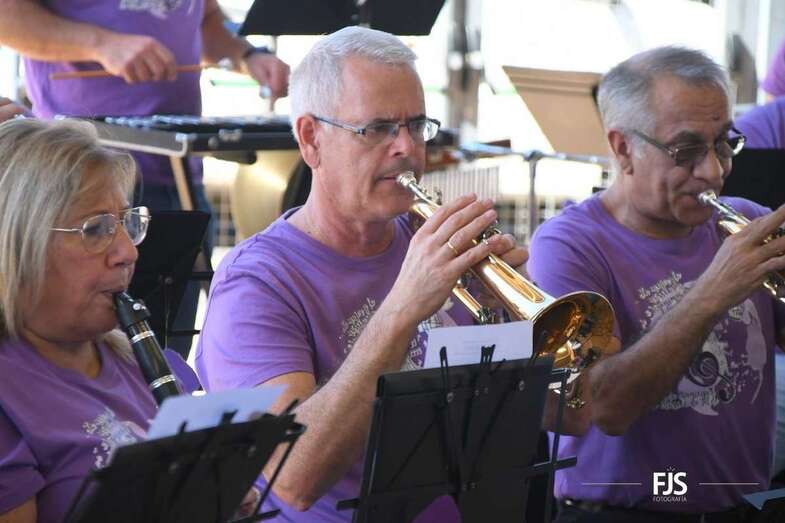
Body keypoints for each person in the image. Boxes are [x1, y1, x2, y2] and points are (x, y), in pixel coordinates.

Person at [195, 26, 554, 522]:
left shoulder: (432, 243)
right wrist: (402, 310)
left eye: (416, 125)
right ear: (311, 139)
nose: (406, 147)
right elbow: (292, 479)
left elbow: (575, 418)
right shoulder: (255, 283)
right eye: (378, 128)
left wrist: (508, 320)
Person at [527, 46, 785, 521]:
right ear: (623, 148)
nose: (714, 171)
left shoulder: (746, 221)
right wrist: (713, 291)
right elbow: (604, 406)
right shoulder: (568, 245)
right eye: (686, 150)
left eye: (723, 143)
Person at [0, 0, 290, 356]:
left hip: (178, 176)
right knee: (83, 361)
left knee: (166, 354)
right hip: (76, 194)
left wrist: (247, 55)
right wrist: (102, 44)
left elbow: (206, 23)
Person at [0, 118, 156, 522]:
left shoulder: (138, 360)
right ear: (16, 245)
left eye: (126, 222)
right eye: (97, 228)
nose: (128, 252)